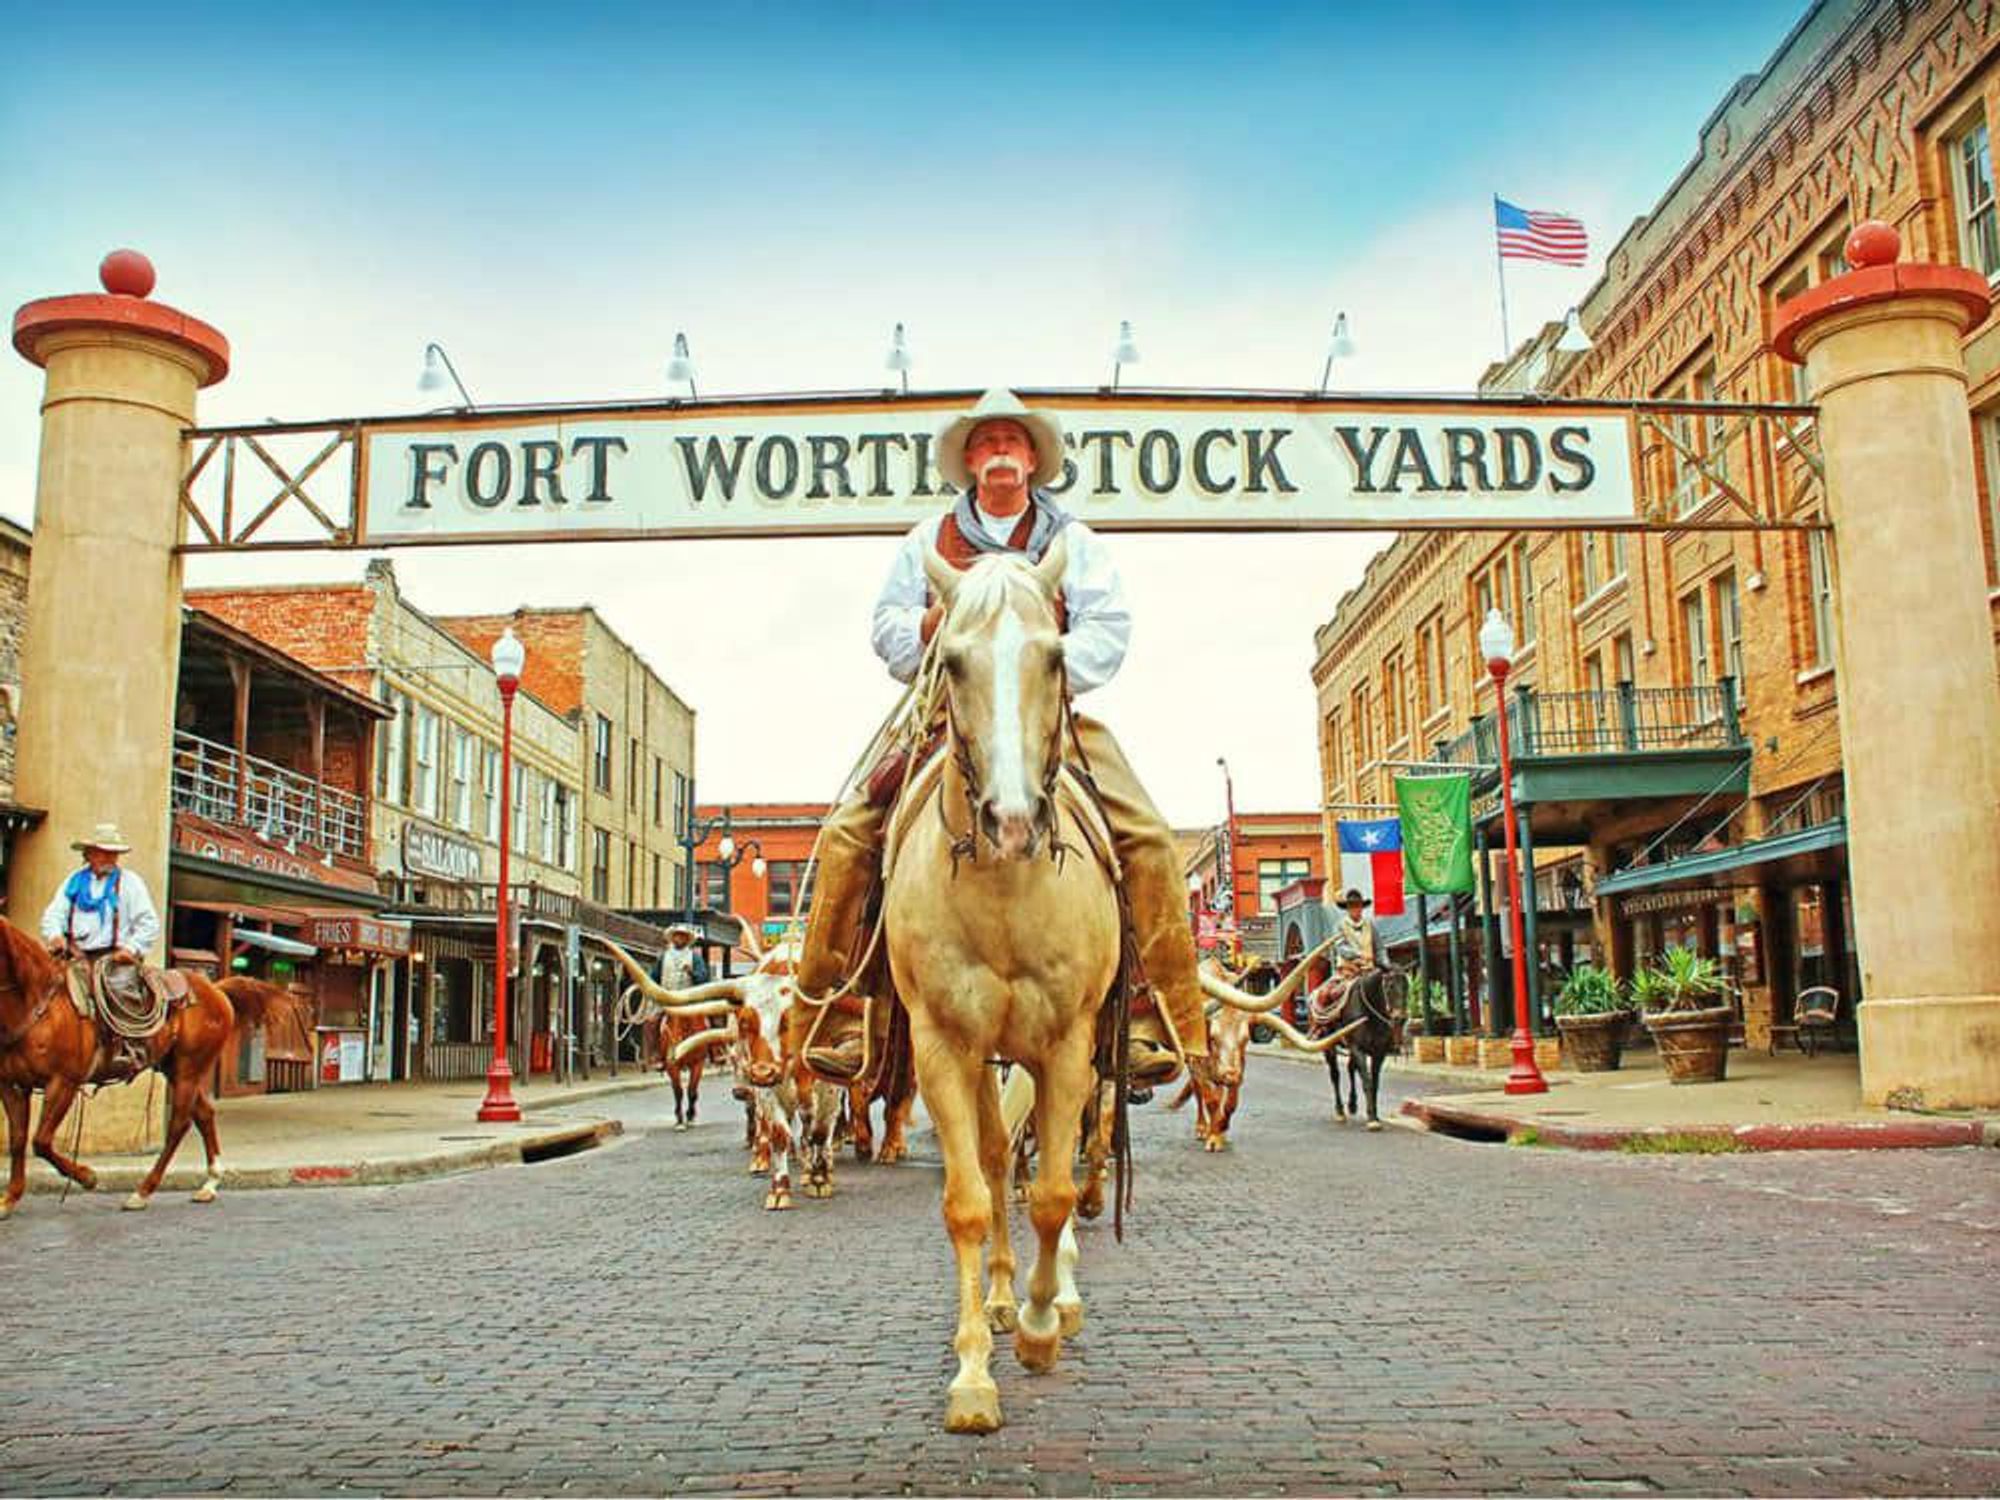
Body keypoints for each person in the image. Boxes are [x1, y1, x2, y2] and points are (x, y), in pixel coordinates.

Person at [795, 389, 1210, 1087]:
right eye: (985, 443)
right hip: (945, 712)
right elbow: (887, 628)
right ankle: (835, 1015)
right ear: (968, 461)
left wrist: (1037, 669)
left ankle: (1154, 1017)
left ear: (1033, 460)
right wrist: (931, 629)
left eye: (1011, 442)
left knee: (1149, 838)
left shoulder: (1075, 542)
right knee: (846, 834)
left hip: (1049, 716)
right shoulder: (926, 542)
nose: (999, 454)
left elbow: (1109, 628)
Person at [42, 822, 159, 965]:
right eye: (104, 852)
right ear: (90, 854)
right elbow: (54, 914)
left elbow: (149, 923)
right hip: (75, 957)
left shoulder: (130, 882)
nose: (110, 858)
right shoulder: (73, 881)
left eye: (113, 853)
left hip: (115, 961)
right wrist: (55, 935)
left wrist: (131, 949)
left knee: (122, 981)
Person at [657, 922, 711, 990]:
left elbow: (704, 979)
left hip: (687, 995)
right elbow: (654, 978)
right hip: (666, 994)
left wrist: (692, 973)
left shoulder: (695, 958)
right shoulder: (664, 957)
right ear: (673, 938)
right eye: (677, 935)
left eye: (683, 935)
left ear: (687, 939)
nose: (680, 937)